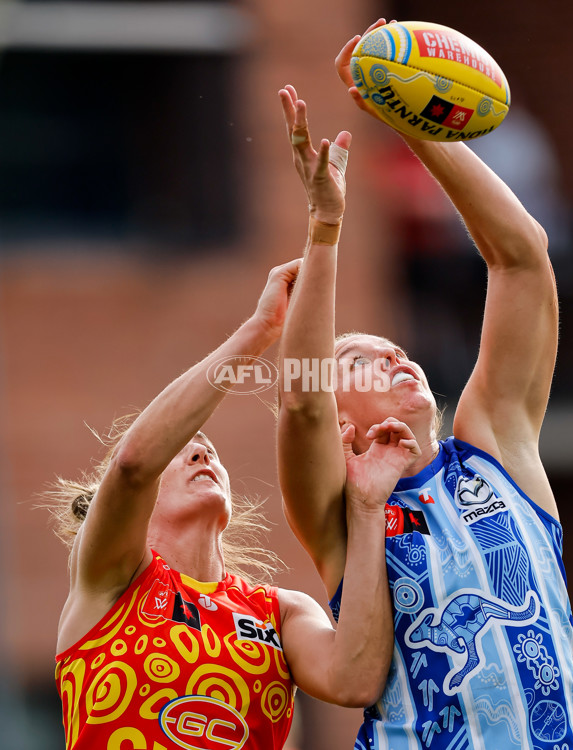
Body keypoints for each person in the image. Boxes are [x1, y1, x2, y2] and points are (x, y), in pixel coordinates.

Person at [277, 19, 573, 750]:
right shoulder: (341, 507)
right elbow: (298, 399)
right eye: (363, 360)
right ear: (341, 424)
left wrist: (411, 118)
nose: (397, 358)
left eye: (396, 349)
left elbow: (522, 260)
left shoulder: (493, 448)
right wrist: (325, 227)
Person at [51, 257, 416, 749]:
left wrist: (368, 510)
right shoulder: (110, 578)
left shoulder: (279, 612)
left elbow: (353, 682)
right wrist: (260, 330)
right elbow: (134, 464)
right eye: (179, 453)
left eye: (207, 448)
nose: (201, 451)